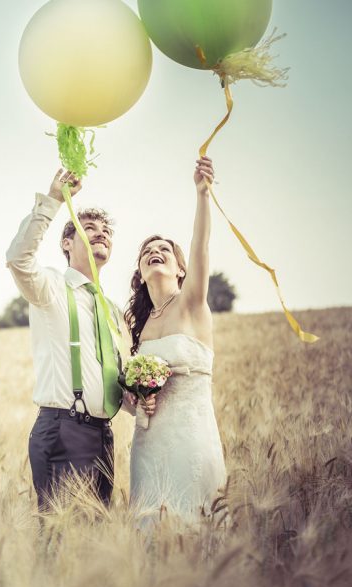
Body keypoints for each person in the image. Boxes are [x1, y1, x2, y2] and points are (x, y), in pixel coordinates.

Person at [6, 168, 153, 512]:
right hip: (62, 429)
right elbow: (17, 259)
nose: (101, 235)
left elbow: (114, 379)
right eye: (89, 229)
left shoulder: (114, 314)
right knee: (62, 542)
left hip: (104, 435)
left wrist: (138, 399)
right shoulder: (51, 288)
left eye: (106, 233)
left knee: (94, 545)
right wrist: (55, 199)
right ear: (67, 243)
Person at [124, 156, 228, 527]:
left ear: (180, 269)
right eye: (147, 251)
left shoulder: (191, 303)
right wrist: (135, 398)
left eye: (164, 250)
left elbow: (200, 247)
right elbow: (126, 391)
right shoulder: (137, 324)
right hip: (148, 445)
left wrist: (202, 194)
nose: (155, 252)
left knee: (196, 525)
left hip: (191, 438)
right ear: (139, 273)